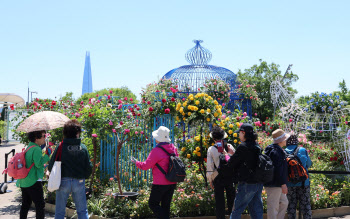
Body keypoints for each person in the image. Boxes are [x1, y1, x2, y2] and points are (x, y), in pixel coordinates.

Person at [131, 126, 178, 219]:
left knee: (152, 204)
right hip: (172, 181)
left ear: (158, 138)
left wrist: (136, 162)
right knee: (166, 206)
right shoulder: (173, 148)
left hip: (160, 183)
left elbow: (145, 166)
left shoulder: (156, 151)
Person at [48, 119, 92, 219]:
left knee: (59, 212)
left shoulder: (60, 147)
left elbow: (51, 166)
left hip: (63, 181)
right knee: (82, 211)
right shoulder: (83, 148)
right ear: (77, 132)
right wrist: (83, 176)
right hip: (79, 181)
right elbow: (88, 168)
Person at [228, 123, 263, 219]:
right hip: (258, 182)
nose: (238, 135)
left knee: (237, 210)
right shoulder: (257, 146)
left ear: (243, 133)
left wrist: (229, 154)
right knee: (256, 211)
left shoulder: (242, 146)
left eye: (239, 133)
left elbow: (231, 163)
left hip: (247, 183)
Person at [17, 130, 52, 219]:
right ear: (37, 138)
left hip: (24, 180)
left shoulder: (29, 146)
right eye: (43, 136)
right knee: (40, 205)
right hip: (33, 181)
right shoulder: (36, 148)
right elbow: (38, 164)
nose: (45, 138)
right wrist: (47, 155)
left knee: (25, 204)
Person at [206, 126, 235, 219]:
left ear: (213, 138)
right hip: (230, 177)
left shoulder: (211, 149)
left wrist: (210, 180)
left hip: (217, 177)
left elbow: (210, 166)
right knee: (232, 200)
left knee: (219, 202)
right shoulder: (230, 146)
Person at [285, 134, 312, 219]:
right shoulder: (302, 150)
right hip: (304, 183)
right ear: (296, 141)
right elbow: (309, 164)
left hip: (289, 184)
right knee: (305, 206)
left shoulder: (283, 152)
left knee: (291, 206)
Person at [264, 129, 289, 219]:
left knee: (284, 202)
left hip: (275, 183)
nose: (286, 140)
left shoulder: (275, 149)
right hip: (274, 183)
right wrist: (283, 184)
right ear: (281, 140)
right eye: (285, 139)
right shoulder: (276, 151)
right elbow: (278, 169)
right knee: (273, 207)